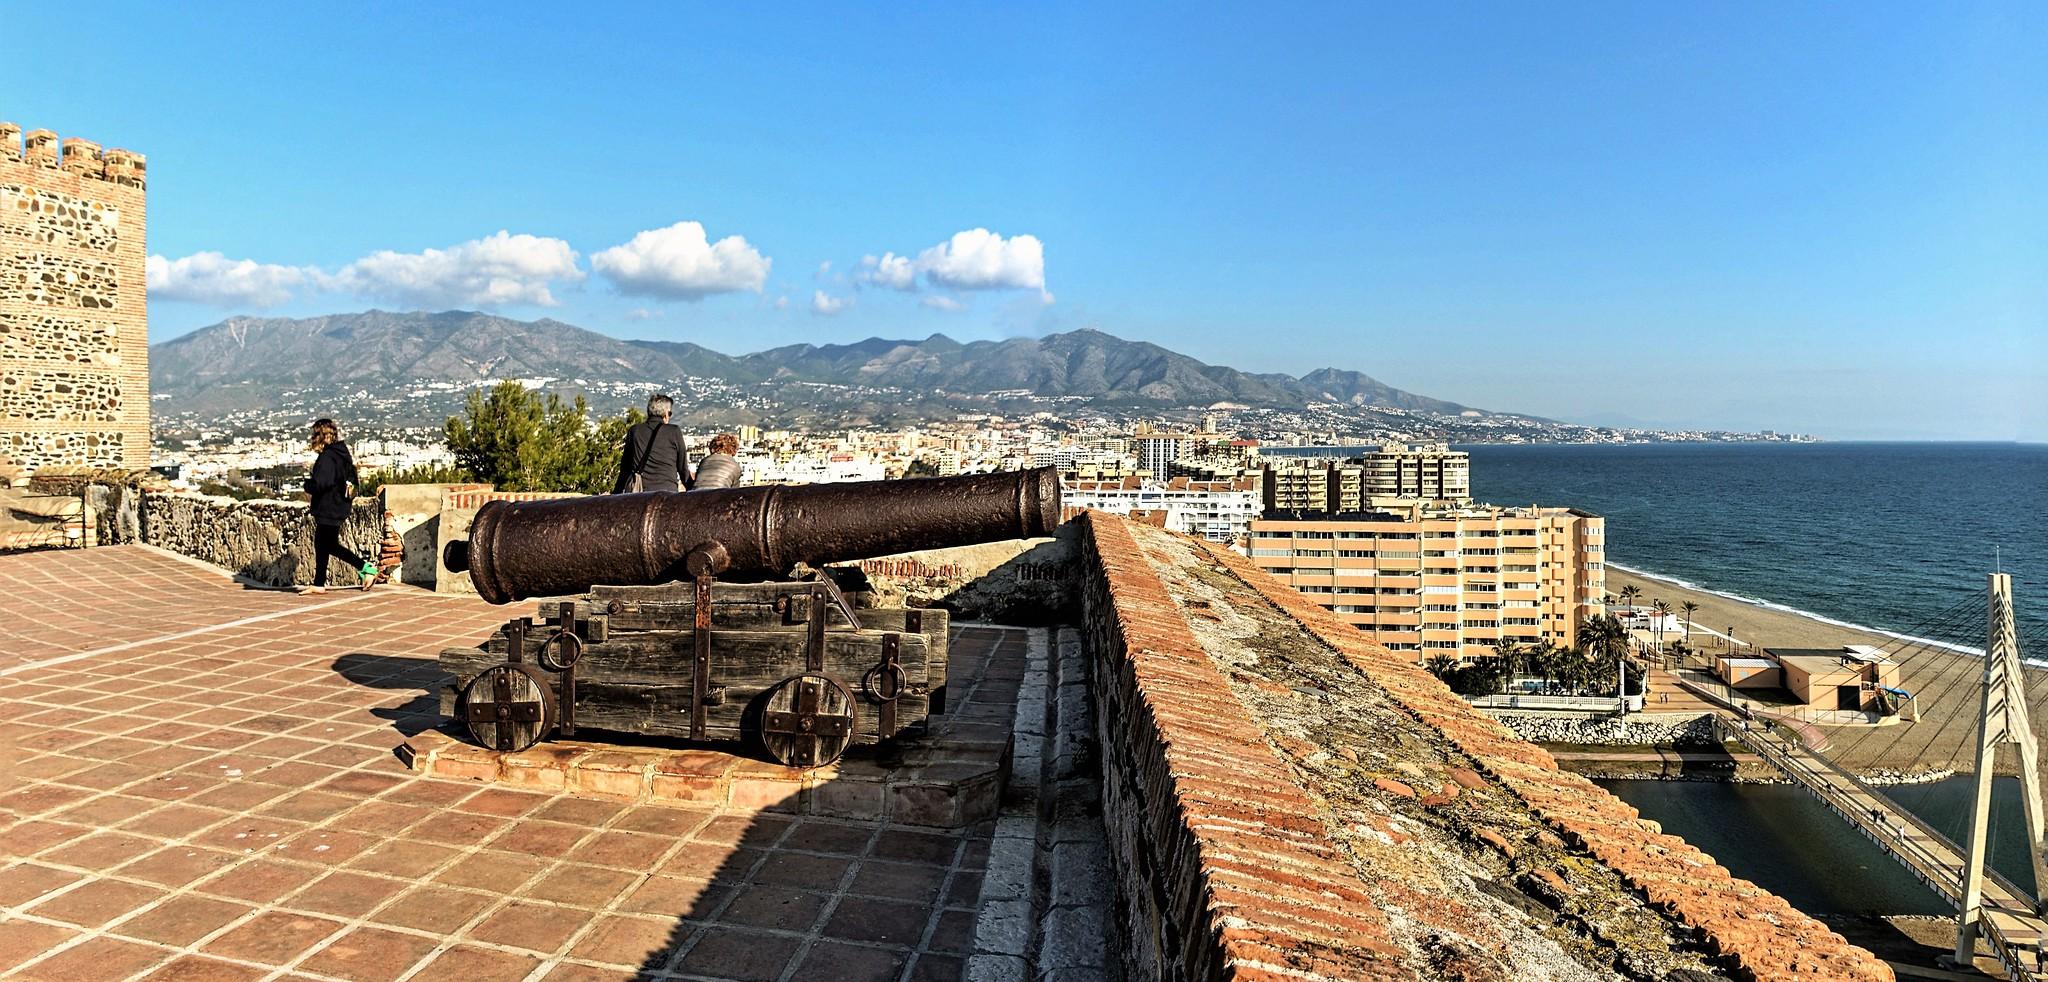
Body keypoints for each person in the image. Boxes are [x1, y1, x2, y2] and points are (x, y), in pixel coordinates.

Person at [301, 418, 377, 594]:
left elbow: (322, 483)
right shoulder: (341, 454)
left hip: (329, 507)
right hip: (339, 505)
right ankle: (319, 583)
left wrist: (307, 485)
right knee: (323, 543)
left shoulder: (328, 457)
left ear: (320, 436)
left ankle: (366, 568)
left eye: (315, 434)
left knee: (328, 545)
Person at [614, 394, 690, 493]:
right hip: (667, 492)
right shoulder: (674, 432)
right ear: (666, 414)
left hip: (639, 494)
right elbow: (683, 469)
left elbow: (625, 469)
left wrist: (616, 493)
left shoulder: (635, 431)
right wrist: (692, 490)